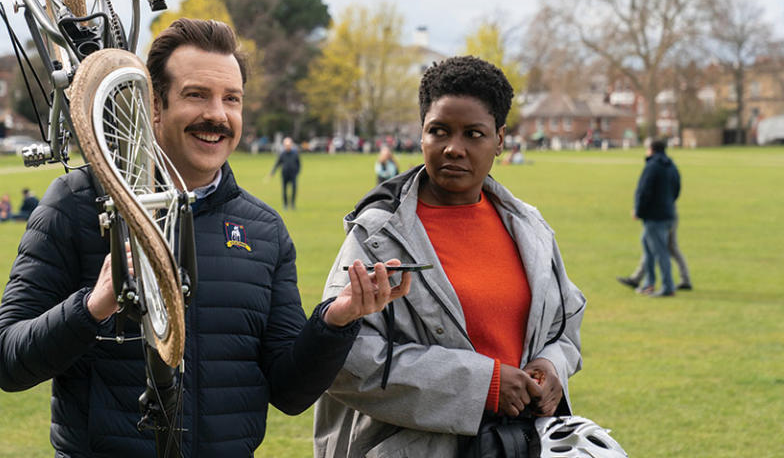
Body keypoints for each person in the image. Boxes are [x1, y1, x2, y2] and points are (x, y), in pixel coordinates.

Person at [0, 18, 412, 457]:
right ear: (154, 104)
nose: (218, 114)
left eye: (232, 99)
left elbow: (289, 393)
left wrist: (334, 322)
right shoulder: (79, 202)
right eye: (196, 95)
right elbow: (6, 360)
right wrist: (94, 306)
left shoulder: (264, 230)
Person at [314, 56, 586, 458]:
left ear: (500, 140)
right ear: (421, 134)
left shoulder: (530, 227)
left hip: (518, 445)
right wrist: (484, 385)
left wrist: (550, 366)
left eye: (473, 134)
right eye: (438, 131)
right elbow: (344, 359)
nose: (453, 148)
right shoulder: (377, 237)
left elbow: (565, 323)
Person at [629, 139, 682, 297]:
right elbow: (677, 187)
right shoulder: (671, 166)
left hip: (655, 216)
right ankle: (649, 284)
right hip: (669, 213)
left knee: (660, 252)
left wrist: (638, 210)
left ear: (651, 149)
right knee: (646, 244)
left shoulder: (652, 166)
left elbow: (643, 191)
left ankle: (668, 287)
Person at [616, 217, 691, 291]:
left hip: (660, 219)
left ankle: (641, 280)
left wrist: (639, 212)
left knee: (653, 248)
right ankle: (685, 280)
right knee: (671, 249)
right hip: (668, 216)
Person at [270, 136, 301, 209]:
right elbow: (278, 163)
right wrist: (273, 171)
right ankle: (285, 204)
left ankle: (293, 204)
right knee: (284, 190)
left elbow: (299, 164)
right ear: (284, 145)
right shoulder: (282, 154)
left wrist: (297, 172)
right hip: (285, 174)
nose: (287, 146)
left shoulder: (295, 153)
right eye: (286, 145)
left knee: (294, 189)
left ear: (291, 145)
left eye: (289, 145)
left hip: (293, 174)